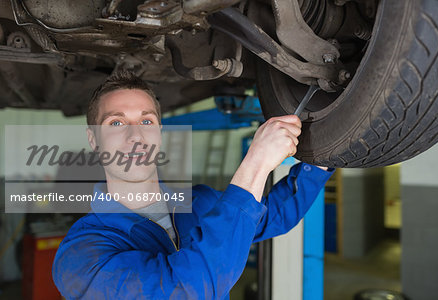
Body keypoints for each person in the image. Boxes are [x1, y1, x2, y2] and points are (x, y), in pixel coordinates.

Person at [52, 71, 334, 299]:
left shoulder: (200, 203)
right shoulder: (81, 256)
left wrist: (327, 151)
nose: (135, 136)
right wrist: (256, 163)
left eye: (146, 121)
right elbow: (188, 290)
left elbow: (272, 216)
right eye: (116, 123)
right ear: (93, 139)